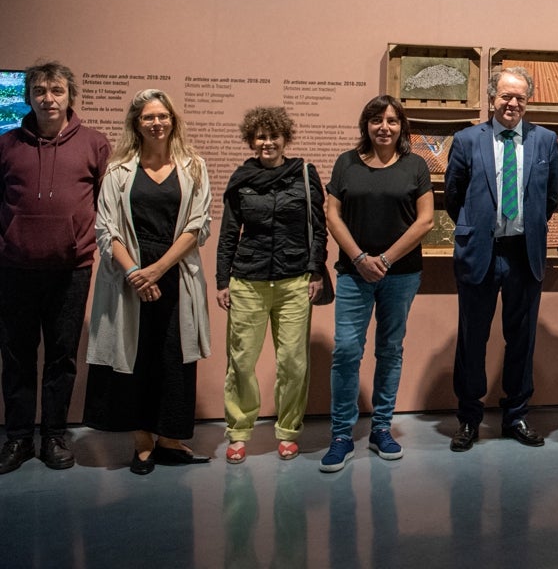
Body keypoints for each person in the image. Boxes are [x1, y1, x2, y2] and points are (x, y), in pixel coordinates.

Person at [84, 89, 212, 475]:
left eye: (162, 116)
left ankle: (170, 439)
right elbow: (106, 229)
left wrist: (158, 270)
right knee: (135, 355)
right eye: (147, 118)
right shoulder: (120, 170)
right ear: (136, 124)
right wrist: (136, 274)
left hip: (176, 275)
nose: (156, 123)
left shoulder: (194, 167)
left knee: (174, 355)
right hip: (130, 277)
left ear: (173, 120)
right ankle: (142, 441)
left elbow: (198, 226)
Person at [0, 61, 110, 474]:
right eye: (41, 90)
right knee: (16, 357)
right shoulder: (7, 145)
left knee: (62, 357)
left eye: (57, 90)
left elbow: (107, 203)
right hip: (14, 269)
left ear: (70, 96)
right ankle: (17, 439)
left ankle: (54, 436)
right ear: (29, 96)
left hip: (71, 268)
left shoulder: (95, 144)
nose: (49, 98)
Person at [445, 66, 558, 451]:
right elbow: (453, 196)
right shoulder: (465, 139)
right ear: (492, 97)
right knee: (472, 338)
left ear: (529, 100)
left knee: (522, 339)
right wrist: (478, 226)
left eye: (520, 97)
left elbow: (550, 199)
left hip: (524, 254)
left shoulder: (545, 141)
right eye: (506, 96)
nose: (512, 103)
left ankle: (515, 416)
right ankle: (468, 419)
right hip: (481, 252)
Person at [319, 95, 433, 472]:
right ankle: (340, 435)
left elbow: (425, 221)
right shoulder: (346, 163)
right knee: (347, 351)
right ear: (365, 124)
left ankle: (382, 427)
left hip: (400, 275)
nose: (384, 127)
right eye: (376, 120)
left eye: (392, 120)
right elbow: (332, 216)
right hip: (354, 274)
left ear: (402, 127)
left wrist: (384, 260)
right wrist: (359, 259)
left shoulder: (415, 166)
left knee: (390, 349)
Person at [216, 106, 327, 464]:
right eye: (261, 136)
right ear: (252, 140)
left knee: (293, 362)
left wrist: (315, 271)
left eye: (273, 136)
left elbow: (318, 229)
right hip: (247, 280)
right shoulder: (241, 179)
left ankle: (288, 430)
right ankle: (238, 430)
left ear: (285, 139)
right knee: (241, 360)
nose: (267, 143)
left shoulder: (305, 175)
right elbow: (229, 233)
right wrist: (222, 280)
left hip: (294, 279)